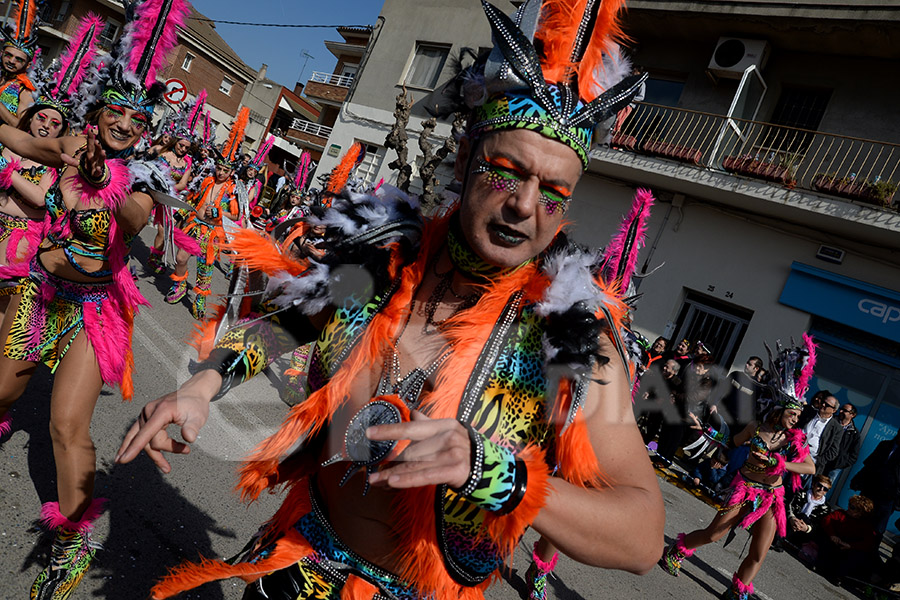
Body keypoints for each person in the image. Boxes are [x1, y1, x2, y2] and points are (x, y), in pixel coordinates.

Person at [116, 1, 663, 599]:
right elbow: (291, 323)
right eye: (508, 172)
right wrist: (203, 385)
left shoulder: (570, 336)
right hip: (294, 565)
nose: (526, 206)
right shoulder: (384, 256)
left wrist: (493, 471)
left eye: (553, 192)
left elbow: (642, 535)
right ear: (465, 159)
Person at [0, 5, 184, 597]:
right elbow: (19, 136)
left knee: (66, 426)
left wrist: (109, 181)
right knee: (2, 390)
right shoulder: (71, 146)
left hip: (95, 310)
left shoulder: (143, 179)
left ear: (146, 127)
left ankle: (73, 537)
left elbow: (130, 222)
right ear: (99, 110)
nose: (126, 124)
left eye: (137, 117)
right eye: (117, 111)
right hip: (40, 291)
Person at [662, 336, 817, 600]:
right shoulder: (755, 427)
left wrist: (778, 462)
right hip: (744, 488)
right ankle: (678, 549)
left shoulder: (795, 439)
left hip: (772, 497)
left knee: (759, 552)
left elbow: (810, 468)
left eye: (799, 416)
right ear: (779, 411)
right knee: (713, 533)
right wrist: (709, 431)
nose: (797, 419)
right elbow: (731, 442)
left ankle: (737, 590)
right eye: (793, 414)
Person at [815, 495, 880, 582]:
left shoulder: (865, 526)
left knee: (857, 556)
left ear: (860, 512)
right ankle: (822, 566)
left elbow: (868, 543)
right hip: (836, 541)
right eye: (849, 505)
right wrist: (832, 535)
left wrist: (851, 546)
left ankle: (838, 575)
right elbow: (827, 520)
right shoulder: (840, 514)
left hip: (849, 547)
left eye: (852, 507)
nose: (848, 507)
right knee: (827, 543)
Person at [850, 432, 900, 540]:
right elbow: (869, 465)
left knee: (877, 528)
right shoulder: (885, 445)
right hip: (870, 489)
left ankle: (869, 551)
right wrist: (857, 479)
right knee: (858, 518)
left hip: (887, 497)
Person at [0, 0, 39, 127]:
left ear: (28, 65)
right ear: (1, 53)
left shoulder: (25, 91)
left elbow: (20, 126)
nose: (11, 61)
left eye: (19, 59)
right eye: (8, 55)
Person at [781, 474, 832, 550]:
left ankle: (783, 541)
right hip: (791, 522)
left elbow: (818, 525)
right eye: (819, 485)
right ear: (813, 484)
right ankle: (783, 541)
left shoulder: (826, 508)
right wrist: (792, 518)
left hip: (807, 531)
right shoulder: (800, 493)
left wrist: (806, 528)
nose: (821, 489)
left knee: (804, 518)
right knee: (801, 516)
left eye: (825, 489)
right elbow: (789, 506)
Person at [800, 390, 843, 477]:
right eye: (823, 402)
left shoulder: (836, 428)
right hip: (794, 451)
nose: (823, 405)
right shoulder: (808, 412)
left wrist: (817, 460)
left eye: (827, 405)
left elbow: (833, 451)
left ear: (834, 410)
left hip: (810, 461)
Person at [822, 402, 861, 494]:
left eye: (845, 410)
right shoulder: (830, 421)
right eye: (841, 409)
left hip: (835, 466)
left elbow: (854, 455)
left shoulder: (854, 433)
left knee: (823, 489)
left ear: (852, 415)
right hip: (821, 459)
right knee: (810, 482)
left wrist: (841, 463)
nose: (841, 411)